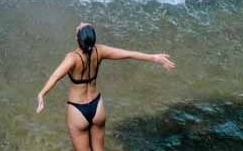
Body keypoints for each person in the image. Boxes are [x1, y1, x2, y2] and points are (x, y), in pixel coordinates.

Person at [36, 22, 175, 151]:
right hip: (97, 107)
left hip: (77, 110)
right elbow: (129, 54)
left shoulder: (72, 58)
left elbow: (55, 77)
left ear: (77, 38)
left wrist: (42, 94)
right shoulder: (99, 51)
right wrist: (154, 58)